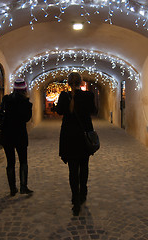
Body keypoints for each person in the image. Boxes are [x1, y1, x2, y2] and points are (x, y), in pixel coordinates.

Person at [56, 72, 96, 216]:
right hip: (84, 137)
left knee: (73, 170)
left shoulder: (63, 96)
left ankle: (75, 201)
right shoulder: (89, 96)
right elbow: (93, 111)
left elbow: (59, 111)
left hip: (69, 137)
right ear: (81, 82)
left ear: (68, 83)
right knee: (84, 166)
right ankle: (83, 193)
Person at [0, 78, 33, 196]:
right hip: (20, 135)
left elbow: (1, 111)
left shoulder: (6, 99)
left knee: (10, 162)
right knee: (23, 161)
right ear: (24, 89)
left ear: (14, 88)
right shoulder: (26, 103)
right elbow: (26, 119)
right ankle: (23, 187)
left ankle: (12, 189)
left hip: (7, 135)